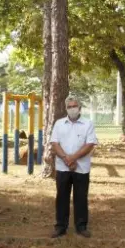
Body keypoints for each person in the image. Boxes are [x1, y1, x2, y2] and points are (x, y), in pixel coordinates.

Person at [50, 97, 98, 238]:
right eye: (69, 106)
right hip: (63, 167)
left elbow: (89, 144)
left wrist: (73, 158)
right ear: (66, 108)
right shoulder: (59, 124)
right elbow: (55, 143)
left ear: (80, 108)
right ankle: (60, 227)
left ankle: (81, 226)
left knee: (81, 197)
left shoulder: (88, 124)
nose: (72, 108)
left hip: (81, 167)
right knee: (62, 197)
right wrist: (66, 158)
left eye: (75, 106)